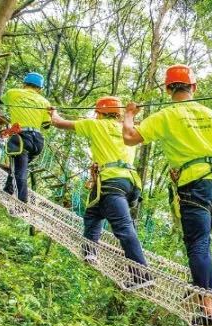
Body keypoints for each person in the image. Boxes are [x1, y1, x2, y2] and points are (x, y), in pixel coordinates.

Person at [122, 65, 212, 326]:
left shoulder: (166, 115)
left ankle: (210, 310)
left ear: (167, 88)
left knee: (198, 245)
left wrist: (128, 115)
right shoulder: (211, 114)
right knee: (201, 244)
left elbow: (129, 137)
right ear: (194, 87)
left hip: (196, 184)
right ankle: (198, 288)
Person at [50, 97, 152, 291]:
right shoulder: (126, 127)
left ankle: (142, 274)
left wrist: (53, 112)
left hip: (111, 181)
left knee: (123, 226)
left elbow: (58, 123)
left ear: (99, 112)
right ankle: (90, 251)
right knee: (93, 212)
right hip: (130, 183)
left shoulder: (95, 125)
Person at [0, 72, 51, 203]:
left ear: (24, 83)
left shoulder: (12, 93)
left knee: (19, 173)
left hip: (21, 138)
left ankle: (22, 203)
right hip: (38, 142)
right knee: (17, 168)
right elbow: (46, 125)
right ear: (40, 88)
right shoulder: (45, 102)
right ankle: (8, 190)